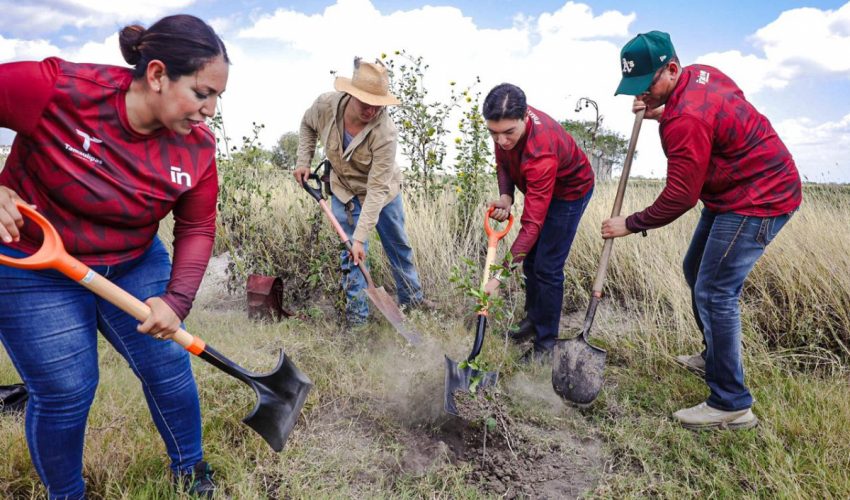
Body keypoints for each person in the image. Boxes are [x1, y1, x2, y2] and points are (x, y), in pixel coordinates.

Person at [0, 14, 229, 498]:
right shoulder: (59, 88)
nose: (210, 111)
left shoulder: (198, 150)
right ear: (157, 74)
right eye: (203, 93)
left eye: (217, 99)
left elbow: (196, 225)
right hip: (34, 261)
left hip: (133, 261)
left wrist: (177, 299)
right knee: (67, 390)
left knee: (168, 369)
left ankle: (192, 473)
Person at [603, 31, 801, 430]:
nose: (640, 96)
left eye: (647, 86)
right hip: (735, 190)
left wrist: (630, 223)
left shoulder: (684, 120)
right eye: (634, 87)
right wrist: (662, 108)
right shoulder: (700, 75)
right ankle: (713, 357)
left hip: (759, 198)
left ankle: (731, 403)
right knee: (695, 270)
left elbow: (680, 198)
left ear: (672, 68)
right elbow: (714, 116)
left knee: (715, 290)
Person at [293, 57, 433, 328]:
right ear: (350, 93)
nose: (371, 110)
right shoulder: (325, 106)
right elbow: (306, 126)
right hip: (344, 192)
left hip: (382, 195)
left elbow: (377, 189)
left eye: (377, 105)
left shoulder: (385, 133)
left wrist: (360, 238)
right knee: (351, 258)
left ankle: (412, 302)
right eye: (365, 103)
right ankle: (357, 322)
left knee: (398, 247)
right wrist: (303, 161)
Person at [482, 83, 595, 364]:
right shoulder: (505, 128)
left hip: (568, 194)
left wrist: (499, 277)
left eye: (509, 132)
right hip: (541, 189)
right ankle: (532, 321)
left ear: (524, 117)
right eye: (493, 133)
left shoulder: (541, 153)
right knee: (530, 263)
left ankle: (546, 343)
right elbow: (503, 161)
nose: (501, 140)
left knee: (547, 267)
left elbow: (532, 226)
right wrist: (506, 196)